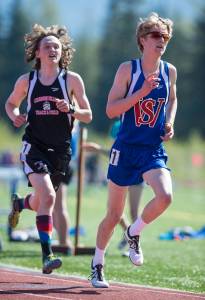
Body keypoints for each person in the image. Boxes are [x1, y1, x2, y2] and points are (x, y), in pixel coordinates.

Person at [89, 12, 177, 288]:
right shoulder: (128, 70)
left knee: (165, 197)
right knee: (113, 214)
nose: (161, 40)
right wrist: (141, 92)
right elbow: (111, 109)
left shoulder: (169, 71)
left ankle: (134, 232)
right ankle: (97, 264)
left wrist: (170, 122)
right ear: (142, 40)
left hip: (152, 148)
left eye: (164, 36)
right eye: (155, 36)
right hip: (125, 149)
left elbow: (173, 99)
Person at [5, 24, 92, 274]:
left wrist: (72, 109)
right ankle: (47, 256)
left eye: (56, 46)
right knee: (50, 198)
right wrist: (15, 115)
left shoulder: (72, 80)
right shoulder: (27, 81)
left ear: (62, 51)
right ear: (38, 53)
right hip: (34, 146)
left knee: (42, 198)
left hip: (61, 151)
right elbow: (11, 103)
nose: (52, 49)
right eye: (47, 46)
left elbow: (89, 115)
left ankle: (20, 204)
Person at [52, 121, 80, 254]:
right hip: (62, 161)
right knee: (52, 206)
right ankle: (62, 239)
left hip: (62, 161)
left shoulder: (70, 115)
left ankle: (64, 242)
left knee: (59, 206)